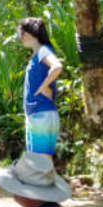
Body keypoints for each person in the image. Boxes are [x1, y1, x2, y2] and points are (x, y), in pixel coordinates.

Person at [16, 18, 63, 162]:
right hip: (41, 114)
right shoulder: (38, 54)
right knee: (44, 162)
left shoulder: (43, 51)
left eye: (21, 34)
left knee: (39, 162)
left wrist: (43, 86)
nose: (20, 38)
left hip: (40, 114)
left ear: (29, 34)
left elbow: (57, 66)